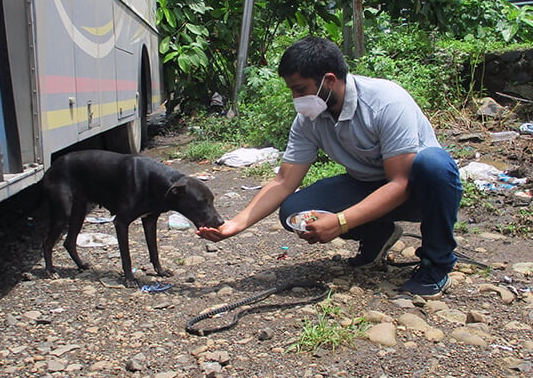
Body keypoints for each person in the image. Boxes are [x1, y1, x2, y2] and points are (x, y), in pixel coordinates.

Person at [197, 36, 462, 299]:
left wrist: (341, 222)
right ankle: (378, 232)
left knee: (434, 165)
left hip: (417, 191)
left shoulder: (386, 102)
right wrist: (235, 224)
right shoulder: (308, 120)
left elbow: (399, 184)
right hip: (366, 185)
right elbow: (283, 182)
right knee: (294, 211)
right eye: (291, 90)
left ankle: (436, 264)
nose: (295, 98)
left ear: (330, 80)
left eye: (300, 89)